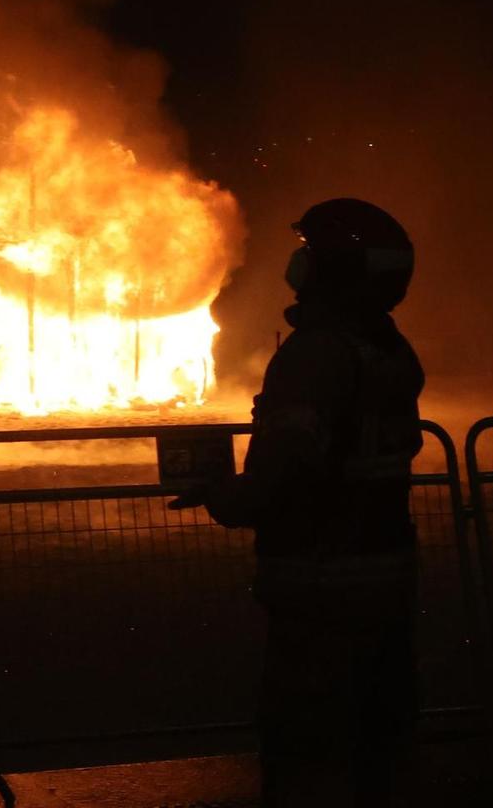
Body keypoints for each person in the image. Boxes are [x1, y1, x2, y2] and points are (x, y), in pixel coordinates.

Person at [172, 198, 426, 806]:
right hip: (385, 573)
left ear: (334, 270)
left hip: (318, 580)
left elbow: (284, 471)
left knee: (305, 751)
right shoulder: (389, 351)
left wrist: (224, 496)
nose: (298, 265)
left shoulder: (315, 356)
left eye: (310, 255)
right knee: (376, 747)